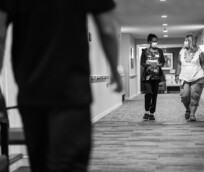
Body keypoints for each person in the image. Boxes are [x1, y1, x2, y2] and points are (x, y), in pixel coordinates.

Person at [0, 1, 123, 172]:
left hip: (31, 92)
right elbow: (108, 30)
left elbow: (0, 33)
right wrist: (115, 71)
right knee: (68, 165)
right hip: (71, 93)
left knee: (40, 165)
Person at [175, 35, 204, 121]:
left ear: (191, 42)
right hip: (184, 77)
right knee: (184, 95)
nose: (185, 42)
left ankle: (192, 114)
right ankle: (187, 109)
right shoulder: (182, 51)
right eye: (185, 40)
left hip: (198, 76)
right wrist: (177, 75)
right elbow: (179, 64)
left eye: (187, 40)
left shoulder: (199, 51)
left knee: (195, 95)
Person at [141, 33, 165, 121]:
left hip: (157, 76)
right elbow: (142, 62)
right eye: (153, 41)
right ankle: (146, 111)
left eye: (156, 41)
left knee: (154, 94)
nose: (155, 42)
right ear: (149, 41)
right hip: (147, 76)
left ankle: (152, 113)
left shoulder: (160, 51)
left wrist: (159, 64)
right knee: (148, 93)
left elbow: (163, 62)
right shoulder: (145, 51)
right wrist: (146, 64)